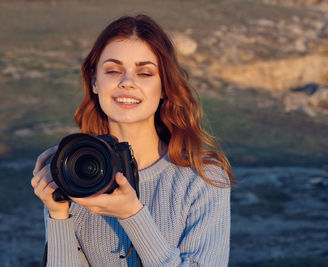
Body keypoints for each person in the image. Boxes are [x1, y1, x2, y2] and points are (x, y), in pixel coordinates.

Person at [30, 14, 234, 267]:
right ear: (95, 81)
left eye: (145, 73)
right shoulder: (76, 174)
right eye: (113, 71)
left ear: (164, 87)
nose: (127, 82)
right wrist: (58, 215)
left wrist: (132, 215)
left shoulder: (202, 178)